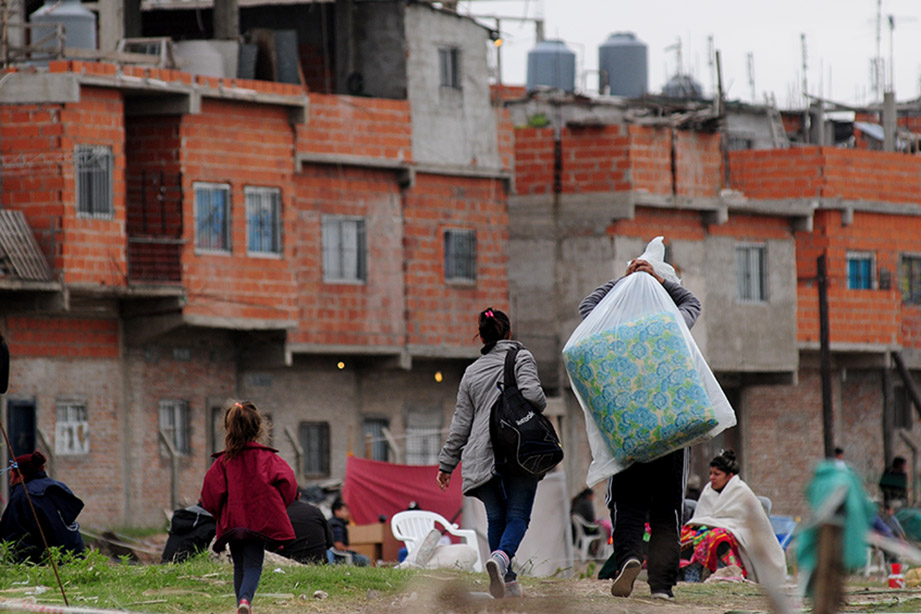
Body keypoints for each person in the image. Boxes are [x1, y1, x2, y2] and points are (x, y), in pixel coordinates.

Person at [579, 249, 700, 600]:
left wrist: (627, 280)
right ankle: (662, 586)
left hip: (629, 434)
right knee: (667, 510)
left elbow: (587, 306)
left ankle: (629, 558)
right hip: (671, 433)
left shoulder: (612, 330)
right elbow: (692, 302)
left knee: (628, 505)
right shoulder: (672, 325)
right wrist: (657, 280)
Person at [436, 307, 547, 599]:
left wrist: (446, 464)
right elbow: (535, 397)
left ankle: (507, 584)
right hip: (519, 451)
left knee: (497, 518)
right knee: (519, 516)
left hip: (481, 456)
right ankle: (501, 559)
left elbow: (461, 424)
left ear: (481, 337)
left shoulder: (471, 373)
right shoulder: (521, 357)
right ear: (509, 334)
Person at [200, 401, 298, 614]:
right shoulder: (268, 459)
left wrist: (221, 514)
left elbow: (209, 494)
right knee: (254, 564)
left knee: (239, 565)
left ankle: (241, 605)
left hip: (233, 523)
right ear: (258, 428)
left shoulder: (223, 462)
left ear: (229, 429)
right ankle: (245, 601)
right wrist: (276, 506)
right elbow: (289, 484)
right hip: (259, 522)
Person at [680, 450, 786, 584]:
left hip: (740, 538)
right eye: (710, 474)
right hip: (711, 532)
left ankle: (730, 574)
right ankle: (692, 579)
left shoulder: (742, 492)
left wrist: (720, 528)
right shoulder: (708, 491)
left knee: (718, 537)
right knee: (687, 536)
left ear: (729, 476)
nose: (712, 477)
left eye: (717, 474)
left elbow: (749, 527)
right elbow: (701, 518)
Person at [0, 450, 85, 563]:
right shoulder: (59, 487)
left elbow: (15, 538)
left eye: (11, 477)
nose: (10, 482)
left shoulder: (22, 495)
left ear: (20, 476)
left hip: (43, 564)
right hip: (74, 557)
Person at [269, 498, 334, 565]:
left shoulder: (274, 513)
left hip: (286, 565)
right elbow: (330, 542)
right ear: (299, 495)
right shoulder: (314, 511)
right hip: (319, 564)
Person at [327, 500, 371, 566]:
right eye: (345, 511)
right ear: (337, 512)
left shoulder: (332, 523)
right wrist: (352, 550)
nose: (347, 514)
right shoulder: (337, 526)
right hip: (339, 556)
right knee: (365, 560)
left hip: (335, 554)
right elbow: (338, 546)